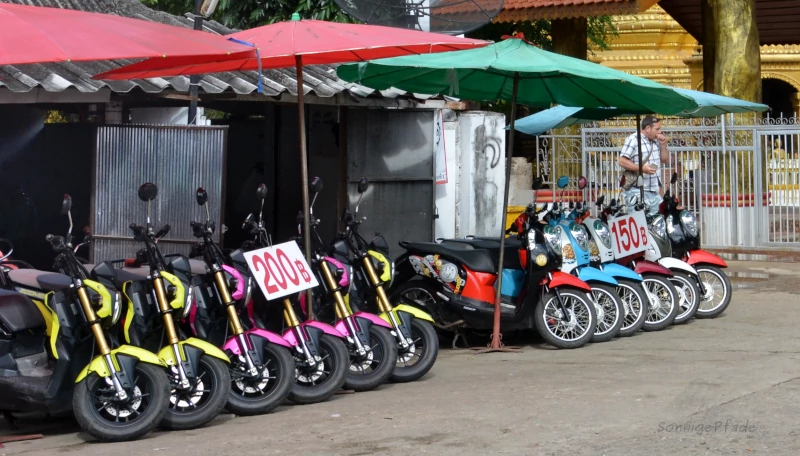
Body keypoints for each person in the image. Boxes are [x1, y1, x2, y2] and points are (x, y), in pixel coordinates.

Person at [618, 115, 669, 215]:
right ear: (648, 128)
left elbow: (665, 160)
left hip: (654, 191)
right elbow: (622, 161)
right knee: (641, 225)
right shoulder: (633, 139)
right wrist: (642, 169)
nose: (660, 132)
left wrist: (663, 146)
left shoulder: (655, 141)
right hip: (637, 192)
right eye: (657, 129)